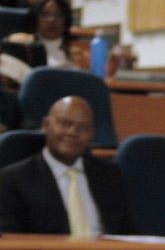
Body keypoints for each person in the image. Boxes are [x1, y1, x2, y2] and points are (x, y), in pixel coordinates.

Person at [0, 96, 135, 235]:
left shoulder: (109, 175)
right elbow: (12, 241)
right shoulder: (13, 180)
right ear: (46, 125)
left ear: (92, 134)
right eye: (65, 124)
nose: (72, 132)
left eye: (83, 127)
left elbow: (128, 235)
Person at [5, 0, 76, 68]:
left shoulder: (80, 51)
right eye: (44, 15)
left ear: (66, 20)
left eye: (58, 15)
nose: (51, 20)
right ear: (35, 19)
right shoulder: (19, 43)